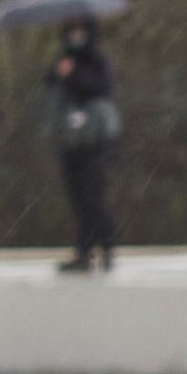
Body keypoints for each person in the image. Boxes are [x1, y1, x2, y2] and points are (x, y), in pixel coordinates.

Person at [46, 19, 120, 273]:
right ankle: (85, 252)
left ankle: (104, 248)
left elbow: (98, 87)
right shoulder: (63, 59)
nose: (75, 38)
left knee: (93, 195)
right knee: (78, 197)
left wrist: (73, 74)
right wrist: (59, 72)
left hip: (96, 139)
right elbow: (49, 84)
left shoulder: (97, 61)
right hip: (71, 138)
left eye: (79, 32)